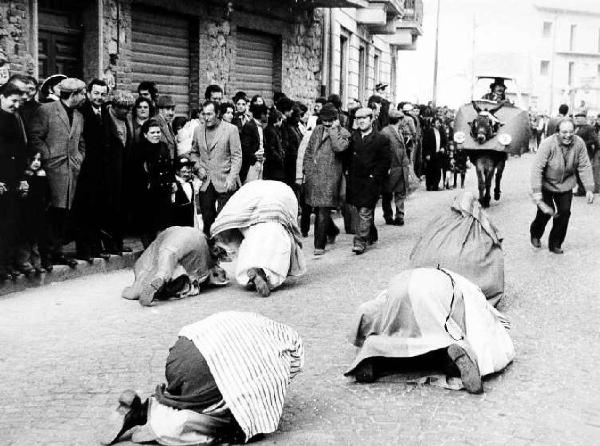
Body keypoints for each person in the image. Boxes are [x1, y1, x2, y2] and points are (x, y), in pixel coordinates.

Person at [101, 311, 303, 445]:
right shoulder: (285, 356)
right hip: (206, 368)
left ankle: (144, 408)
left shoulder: (260, 324)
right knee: (232, 423)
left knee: (187, 390)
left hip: (183, 349)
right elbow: (258, 410)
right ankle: (164, 423)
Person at [345, 267, 515, 394]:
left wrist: (362, 334)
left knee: (394, 333)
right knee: (442, 332)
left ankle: (373, 352)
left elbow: (368, 311)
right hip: (439, 293)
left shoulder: (411, 273)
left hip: (399, 286)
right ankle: (451, 351)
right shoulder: (465, 285)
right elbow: (478, 319)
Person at [211, 180, 306, 297]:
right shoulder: (283, 195)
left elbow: (232, 213)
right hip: (276, 224)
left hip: (254, 225)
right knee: (279, 253)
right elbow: (292, 223)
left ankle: (254, 275)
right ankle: (266, 275)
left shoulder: (248, 193)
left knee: (251, 247)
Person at [29, 77, 86, 268]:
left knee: (63, 214)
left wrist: (79, 157)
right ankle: (46, 255)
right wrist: (48, 156)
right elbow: (35, 137)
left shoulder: (78, 115)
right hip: (51, 171)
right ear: (73, 94)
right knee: (50, 214)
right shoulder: (46, 110)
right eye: (82, 93)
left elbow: (81, 141)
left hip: (71, 171)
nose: (84, 96)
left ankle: (58, 252)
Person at [530, 118, 595, 254]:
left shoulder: (579, 143)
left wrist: (589, 188)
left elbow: (584, 165)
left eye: (571, 131)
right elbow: (537, 168)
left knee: (564, 213)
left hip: (566, 184)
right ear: (557, 132)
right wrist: (537, 191)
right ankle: (535, 234)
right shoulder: (548, 144)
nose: (568, 135)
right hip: (546, 183)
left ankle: (555, 243)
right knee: (545, 212)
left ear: (575, 131)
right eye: (564, 132)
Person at [121, 226, 227, 306]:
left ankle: (160, 279)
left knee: (160, 266)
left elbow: (154, 253)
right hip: (194, 247)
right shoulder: (205, 242)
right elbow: (207, 263)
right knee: (181, 270)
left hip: (174, 241)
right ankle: (167, 280)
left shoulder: (190, 232)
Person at [302, 103, 350, 255]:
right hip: (314, 176)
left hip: (330, 177)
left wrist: (335, 129)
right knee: (317, 208)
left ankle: (319, 245)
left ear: (337, 119)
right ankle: (333, 230)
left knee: (323, 209)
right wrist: (307, 169)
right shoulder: (317, 130)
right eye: (325, 120)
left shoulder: (344, 133)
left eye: (331, 120)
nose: (327, 123)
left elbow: (339, 148)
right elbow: (309, 151)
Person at [72, 78, 111, 262]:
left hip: (101, 170)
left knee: (97, 209)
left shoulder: (105, 112)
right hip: (85, 170)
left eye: (103, 94)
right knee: (83, 210)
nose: (99, 97)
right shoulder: (81, 113)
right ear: (88, 93)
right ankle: (83, 249)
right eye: (96, 93)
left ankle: (96, 247)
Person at [190, 100, 242, 236]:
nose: (206, 118)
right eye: (204, 114)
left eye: (209, 114)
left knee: (224, 221)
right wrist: (198, 167)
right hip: (206, 182)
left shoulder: (231, 130)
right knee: (207, 220)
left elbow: (237, 157)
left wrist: (232, 178)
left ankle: (225, 250)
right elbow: (194, 153)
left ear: (218, 114)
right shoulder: (198, 130)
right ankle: (210, 251)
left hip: (225, 181)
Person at [346, 107, 391, 255]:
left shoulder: (381, 139)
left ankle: (360, 241)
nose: (361, 122)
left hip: (371, 181)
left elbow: (385, 161)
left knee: (365, 211)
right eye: (358, 119)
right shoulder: (352, 137)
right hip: (355, 181)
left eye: (364, 119)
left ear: (371, 120)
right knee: (361, 210)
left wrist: (375, 177)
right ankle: (371, 234)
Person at [0, 83, 30, 280]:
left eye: (19, 101)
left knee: (11, 224)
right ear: (2, 97)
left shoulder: (16, 118)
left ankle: (7, 263)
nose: (16, 105)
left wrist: (23, 178)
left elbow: (21, 151)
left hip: (13, 179)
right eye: (13, 101)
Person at [102, 90, 135, 255]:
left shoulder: (126, 121)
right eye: (124, 109)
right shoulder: (104, 119)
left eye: (129, 109)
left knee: (121, 207)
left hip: (124, 171)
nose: (127, 112)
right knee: (108, 208)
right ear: (115, 106)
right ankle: (108, 243)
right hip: (108, 172)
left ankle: (118, 241)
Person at [138, 119, 175, 245]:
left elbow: (169, 167)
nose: (156, 135)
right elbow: (139, 171)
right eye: (152, 132)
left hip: (164, 190)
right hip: (149, 192)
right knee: (149, 225)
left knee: (163, 223)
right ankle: (149, 252)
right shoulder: (140, 149)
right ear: (145, 134)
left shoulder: (163, 146)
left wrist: (172, 181)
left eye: (158, 132)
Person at [16, 151, 51, 275]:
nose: (36, 162)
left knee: (36, 239)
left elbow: (47, 194)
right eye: (34, 159)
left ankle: (37, 263)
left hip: (38, 211)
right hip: (26, 212)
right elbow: (22, 194)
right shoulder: (24, 175)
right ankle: (24, 263)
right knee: (25, 238)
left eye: (39, 160)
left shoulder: (42, 175)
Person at [380, 109, 410, 226]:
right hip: (391, 167)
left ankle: (399, 216)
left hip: (401, 166)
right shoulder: (385, 132)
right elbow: (382, 151)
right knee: (387, 193)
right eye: (402, 119)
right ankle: (388, 215)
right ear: (399, 120)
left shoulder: (400, 131)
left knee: (401, 191)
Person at [240, 102, 268, 183]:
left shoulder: (260, 127)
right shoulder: (249, 126)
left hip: (260, 162)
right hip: (251, 164)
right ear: (261, 114)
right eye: (266, 114)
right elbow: (244, 147)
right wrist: (254, 157)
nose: (267, 116)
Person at [573, 110, 600, 195]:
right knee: (576, 171)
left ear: (584, 119)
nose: (577, 120)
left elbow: (596, 141)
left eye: (579, 118)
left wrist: (584, 144)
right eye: (576, 118)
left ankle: (582, 190)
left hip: (585, 153)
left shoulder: (589, 128)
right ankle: (581, 189)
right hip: (576, 153)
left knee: (581, 171)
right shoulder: (576, 127)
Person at [170, 157, 201, 228]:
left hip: (190, 221)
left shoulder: (191, 183)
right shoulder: (173, 185)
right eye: (184, 172)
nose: (187, 174)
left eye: (189, 172)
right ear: (177, 171)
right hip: (178, 221)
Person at [422, 117, 447, 191]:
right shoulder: (429, 132)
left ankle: (436, 186)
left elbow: (444, 142)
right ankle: (429, 186)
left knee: (438, 170)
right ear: (433, 124)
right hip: (430, 154)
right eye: (437, 123)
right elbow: (425, 144)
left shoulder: (441, 132)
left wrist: (443, 147)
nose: (439, 124)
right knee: (429, 170)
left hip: (438, 154)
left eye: (439, 123)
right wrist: (427, 154)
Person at [262, 108, 286, 182]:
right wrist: (279, 158)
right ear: (277, 120)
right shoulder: (271, 131)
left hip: (274, 165)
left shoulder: (272, 130)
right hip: (273, 166)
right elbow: (271, 148)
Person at [155, 95, 177, 159]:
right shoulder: (155, 123)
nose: (171, 113)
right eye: (167, 109)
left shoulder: (168, 124)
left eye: (172, 109)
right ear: (160, 110)